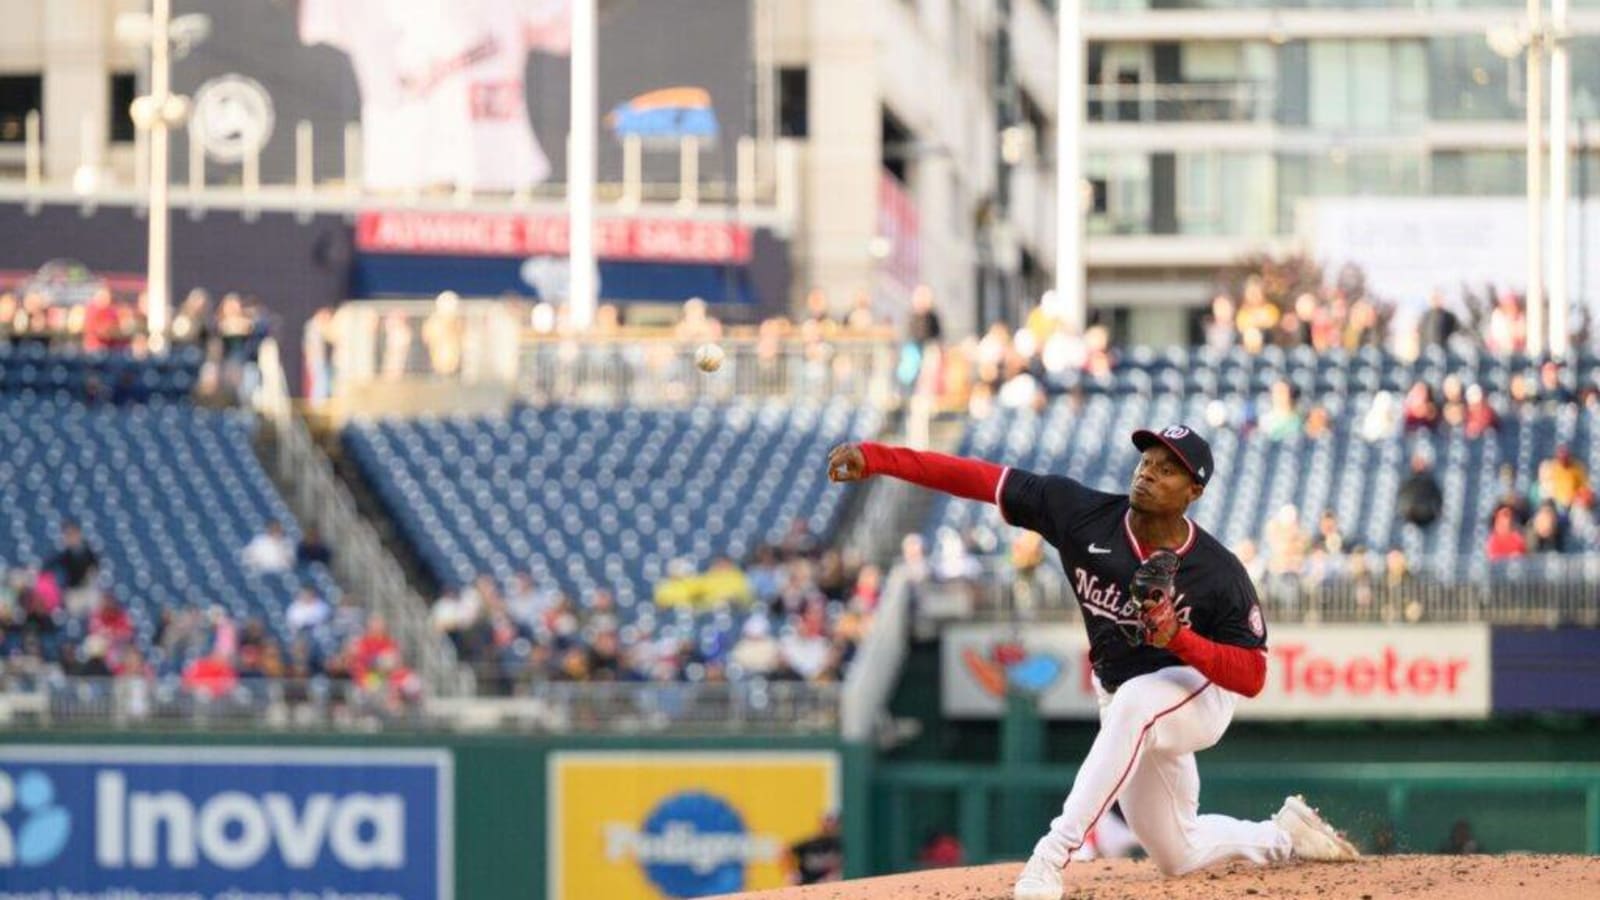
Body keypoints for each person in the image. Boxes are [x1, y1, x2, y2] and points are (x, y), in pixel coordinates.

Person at [827, 426, 1358, 900]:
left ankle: (1050, 857)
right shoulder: (1078, 512)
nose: (1149, 471)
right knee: (1179, 853)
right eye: (1147, 460)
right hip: (1124, 700)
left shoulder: (1218, 572)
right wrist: (878, 458)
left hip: (1197, 692)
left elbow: (1253, 676)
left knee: (1137, 702)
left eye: (1168, 468)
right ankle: (1285, 836)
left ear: (1193, 492)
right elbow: (976, 478)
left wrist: (1179, 638)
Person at [786, 813, 843, 885]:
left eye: (832, 822)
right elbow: (786, 851)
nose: (829, 825)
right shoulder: (811, 843)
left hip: (829, 884)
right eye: (827, 821)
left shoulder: (840, 843)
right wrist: (791, 872)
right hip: (807, 884)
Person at [1397, 454, 1444, 528]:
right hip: (1411, 518)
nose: (1420, 466)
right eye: (1417, 463)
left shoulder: (1430, 483)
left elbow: (1438, 499)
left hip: (1428, 518)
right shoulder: (1408, 483)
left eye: (1421, 464)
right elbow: (1402, 500)